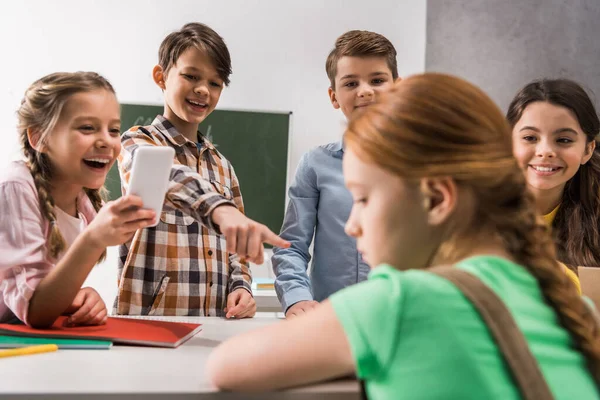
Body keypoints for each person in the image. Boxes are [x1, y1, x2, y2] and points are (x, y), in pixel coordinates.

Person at [207, 74, 600, 398]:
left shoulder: (402, 302)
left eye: (362, 198)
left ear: (436, 199)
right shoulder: (566, 304)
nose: (351, 224)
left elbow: (225, 366)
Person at [114, 22, 288, 317]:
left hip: (213, 326)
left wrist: (241, 287)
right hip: (148, 326)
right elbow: (171, 177)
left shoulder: (223, 167)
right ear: (161, 77)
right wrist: (221, 210)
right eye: (191, 76)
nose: (202, 90)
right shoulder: (137, 141)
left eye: (214, 83)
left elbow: (236, 253)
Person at [0, 71, 155, 328]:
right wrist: (92, 239)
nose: (106, 140)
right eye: (87, 128)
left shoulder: (84, 203)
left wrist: (78, 298)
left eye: (114, 129)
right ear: (39, 138)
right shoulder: (16, 187)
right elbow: (36, 311)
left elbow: (48, 295)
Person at [272, 30, 398, 318]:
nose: (365, 90)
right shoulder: (315, 164)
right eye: (351, 83)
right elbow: (291, 247)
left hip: (401, 321)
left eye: (377, 80)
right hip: (331, 321)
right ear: (334, 96)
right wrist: (296, 299)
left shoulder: (425, 163)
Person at [507, 78, 600, 293]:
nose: (545, 151)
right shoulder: (474, 204)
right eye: (530, 137)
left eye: (564, 140)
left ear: (588, 150)